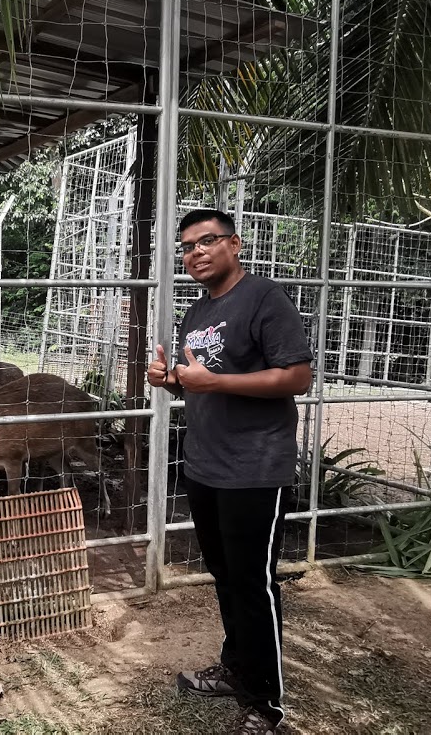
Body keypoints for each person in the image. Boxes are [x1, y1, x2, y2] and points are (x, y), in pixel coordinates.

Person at [147, 208, 314, 733]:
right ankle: (237, 668)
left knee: (253, 582)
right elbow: (201, 379)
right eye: (187, 246)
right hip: (205, 466)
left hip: (255, 468)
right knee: (226, 576)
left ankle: (266, 705)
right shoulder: (196, 313)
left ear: (234, 245)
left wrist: (213, 384)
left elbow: (297, 376)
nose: (195, 253)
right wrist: (169, 379)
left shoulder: (264, 298)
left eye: (207, 241)